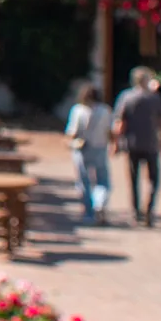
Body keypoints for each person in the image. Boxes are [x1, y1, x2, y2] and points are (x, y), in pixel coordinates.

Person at [112, 65, 161, 225]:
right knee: (154, 179)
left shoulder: (126, 97)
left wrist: (115, 142)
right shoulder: (155, 98)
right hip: (151, 144)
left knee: (134, 179)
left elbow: (120, 122)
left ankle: (136, 212)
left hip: (132, 143)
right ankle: (149, 210)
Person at [64, 81, 113, 223]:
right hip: (100, 147)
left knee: (84, 181)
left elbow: (72, 132)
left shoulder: (78, 110)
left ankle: (88, 212)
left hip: (82, 148)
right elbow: (109, 131)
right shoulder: (105, 110)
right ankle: (100, 202)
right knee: (102, 180)